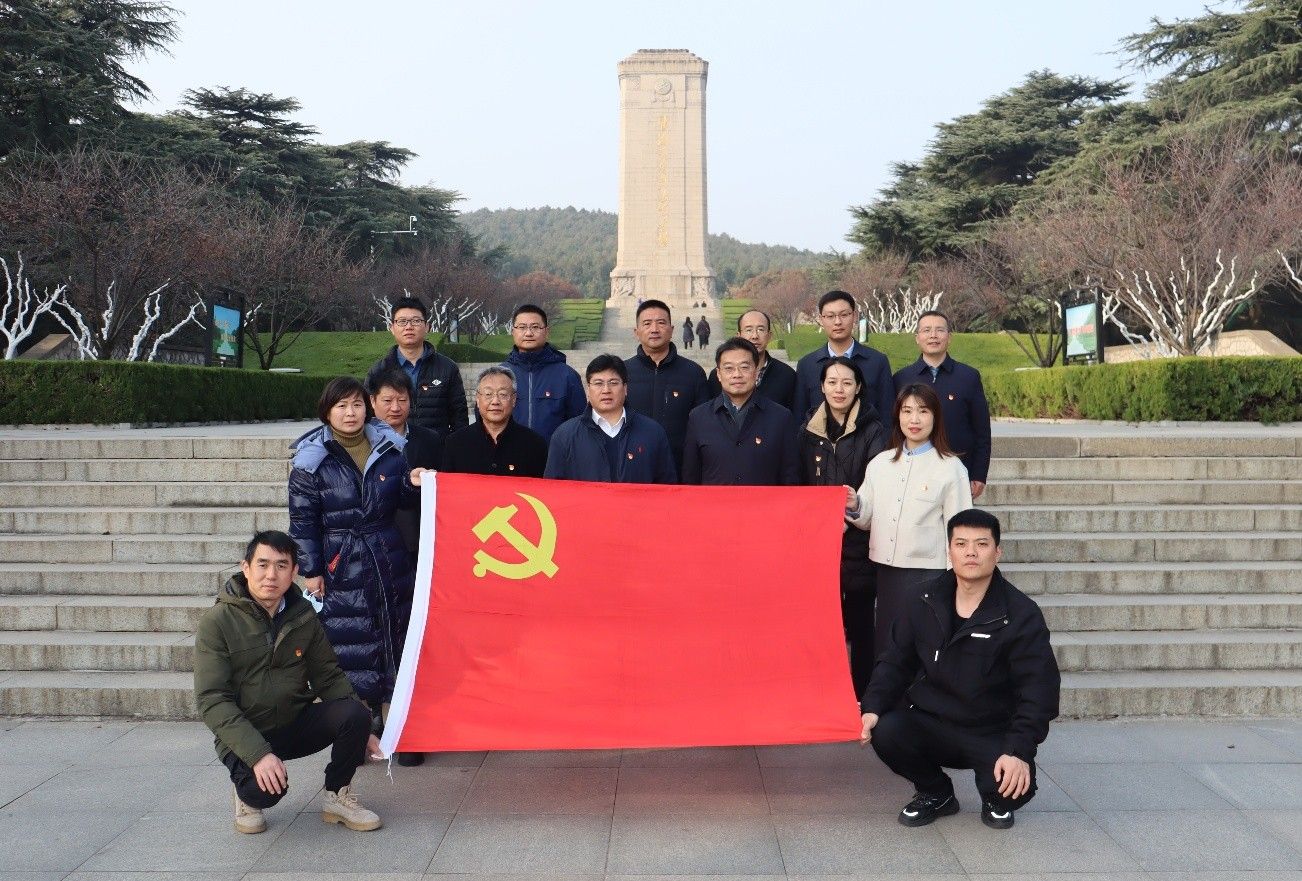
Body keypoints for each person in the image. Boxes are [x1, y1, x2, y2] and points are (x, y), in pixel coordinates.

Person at [859, 509, 1060, 830]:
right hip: (932, 720)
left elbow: (1039, 690)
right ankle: (936, 793)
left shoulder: (1021, 613)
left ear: (997, 552)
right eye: (961, 543)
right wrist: (872, 707)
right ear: (949, 550)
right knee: (886, 730)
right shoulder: (921, 600)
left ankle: (995, 798)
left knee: (1010, 791)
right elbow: (895, 661)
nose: (971, 552)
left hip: (990, 729)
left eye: (982, 544)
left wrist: (1018, 750)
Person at [194, 530, 384, 834]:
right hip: (248, 730)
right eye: (263, 564)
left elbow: (328, 676)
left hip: (294, 721)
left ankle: (337, 795)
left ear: (294, 571)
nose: (271, 575)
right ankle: (246, 795)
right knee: (266, 791)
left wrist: (362, 729)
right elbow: (212, 699)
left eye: (281, 565)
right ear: (246, 568)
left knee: (355, 713)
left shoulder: (302, 615)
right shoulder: (218, 622)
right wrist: (258, 754)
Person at [288, 377, 423, 766]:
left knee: (397, 639)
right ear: (327, 411)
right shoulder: (311, 460)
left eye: (357, 405)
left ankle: (399, 730)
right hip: (341, 561)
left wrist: (413, 484)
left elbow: (402, 499)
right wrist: (312, 569)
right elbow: (303, 521)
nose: (351, 413)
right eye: (341, 406)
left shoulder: (389, 448)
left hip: (387, 556)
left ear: (368, 408)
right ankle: (359, 734)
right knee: (352, 646)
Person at [845, 383, 973, 660]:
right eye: (907, 411)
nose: (914, 419)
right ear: (897, 415)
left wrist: (957, 579)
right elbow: (866, 518)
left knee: (923, 645)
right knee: (887, 644)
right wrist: (854, 504)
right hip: (886, 571)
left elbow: (960, 530)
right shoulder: (880, 463)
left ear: (935, 416)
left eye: (923, 411)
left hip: (930, 573)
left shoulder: (951, 468)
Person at [798, 356, 889, 697]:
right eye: (832, 382)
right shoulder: (807, 431)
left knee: (862, 624)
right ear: (822, 387)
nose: (839, 389)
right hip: (818, 543)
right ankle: (824, 692)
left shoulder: (874, 430)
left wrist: (847, 518)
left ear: (858, 387)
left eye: (847, 382)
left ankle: (862, 694)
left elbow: (876, 485)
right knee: (822, 624)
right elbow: (800, 483)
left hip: (860, 541)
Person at [894, 310, 992, 500]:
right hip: (912, 470)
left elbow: (981, 430)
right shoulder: (901, 379)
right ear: (917, 338)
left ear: (949, 337)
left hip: (958, 469)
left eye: (940, 330)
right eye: (926, 330)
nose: (933, 335)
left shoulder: (969, 377)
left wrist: (979, 474)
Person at [682, 337, 799, 485]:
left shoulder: (781, 417)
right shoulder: (699, 417)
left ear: (756, 372)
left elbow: (790, 476)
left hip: (765, 500)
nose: (737, 374)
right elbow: (690, 477)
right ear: (718, 374)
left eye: (744, 367)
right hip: (714, 500)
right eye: (729, 368)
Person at [546, 354, 677, 483]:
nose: (606, 390)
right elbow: (553, 488)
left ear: (625, 388)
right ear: (588, 390)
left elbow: (667, 487)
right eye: (598, 383)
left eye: (613, 383)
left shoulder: (652, 432)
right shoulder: (565, 435)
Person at [624, 299, 709, 472]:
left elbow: (704, 426)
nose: (654, 329)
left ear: (672, 330)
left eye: (661, 323)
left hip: (680, 468)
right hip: (631, 470)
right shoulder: (621, 373)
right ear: (636, 332)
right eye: (647, 323)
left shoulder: (693, 373)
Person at [367, 369, 442, 559]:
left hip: (420, 539)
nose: (395, 407)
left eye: (402, 400)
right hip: (375, 543)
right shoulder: (362, 442)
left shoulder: (430, 439)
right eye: (387, 400)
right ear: (372, 401)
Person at [367, 296, 468, 436]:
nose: (409, 327)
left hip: (437, 447)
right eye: (402, 321)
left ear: (427, 327)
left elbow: (459, 418)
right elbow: (368, 416)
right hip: (392, 446)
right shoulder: (378, 370)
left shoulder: (447, 368)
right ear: (392, 328)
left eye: (416, 321)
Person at [793, 290, 894, 423]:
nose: (838, 322)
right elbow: (799, 417)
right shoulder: (807, 365)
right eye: (830, 316)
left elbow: (887, 415)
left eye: (844, 315)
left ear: (854, 316)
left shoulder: (878, 362)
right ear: (821, 319)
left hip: (869, 436)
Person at [441, 365, 548, 477]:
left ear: (514, 399)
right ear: (478, 399)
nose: (495, 401)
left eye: (503, 394)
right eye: (488, 394)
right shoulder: (455, 443)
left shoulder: (534, 444)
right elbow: (447, 485)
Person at [502, 303, 585, 444]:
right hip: (508, 455)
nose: (528, 333)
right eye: (522, 327)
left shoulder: (567, 376)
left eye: (535, 327)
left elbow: (580, 425)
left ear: (547, 331)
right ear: (513, 331)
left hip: (554, 456)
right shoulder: (500, 375)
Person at [706, 308, 796, 409]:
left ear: (769, 335)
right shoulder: (719, 376)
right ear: (739, 336)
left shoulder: (787, 374)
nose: (754, 336)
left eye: (760, 330)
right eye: (749, 330)